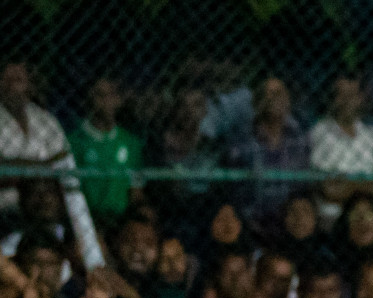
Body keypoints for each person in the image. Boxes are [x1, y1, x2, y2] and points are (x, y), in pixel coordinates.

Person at [0, 61, 106, 271]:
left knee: (89, 242)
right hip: (6, 211)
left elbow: (66, 175)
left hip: (46, 208)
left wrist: (19, 169)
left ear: (30, 83)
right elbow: (51, 170)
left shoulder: (46, 121)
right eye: (8, 79)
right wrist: (44, 169)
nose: (14, 85)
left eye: (19, 79)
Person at [222, 76, 309, 235]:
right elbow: (233, 185)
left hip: (288, 221)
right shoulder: (243, 136)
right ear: (256, 102)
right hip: (250, 219)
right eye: (266, 94)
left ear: (288, 100)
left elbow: (301, 186)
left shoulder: (298, 135)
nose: (272, 98)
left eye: (278, 93)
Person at [308, 72, 373, 228]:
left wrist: (348, 184)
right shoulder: (319, 133)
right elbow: (328, 189)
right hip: (333, 221)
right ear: (332, 99)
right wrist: (371, 185)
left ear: (360, 98)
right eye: (341, 95)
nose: (347, 100)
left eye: (352, 94)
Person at [146, 85, 219, 241]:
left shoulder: (212, 147)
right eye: (183, 106)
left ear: (205, 110)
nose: (189, 112)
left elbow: (218, 192)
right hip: (168, 216)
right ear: (175, 110)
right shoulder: (157, 145)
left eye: (196, 105)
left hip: (205, 217)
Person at [68, 75, 144, 223]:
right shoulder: (74, 142)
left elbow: (136, 191)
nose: (107, 101)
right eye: (101, 95)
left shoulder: (130, 142)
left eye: (113, 94)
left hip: (122, 220)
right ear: (89, 100)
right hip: (88, 219)